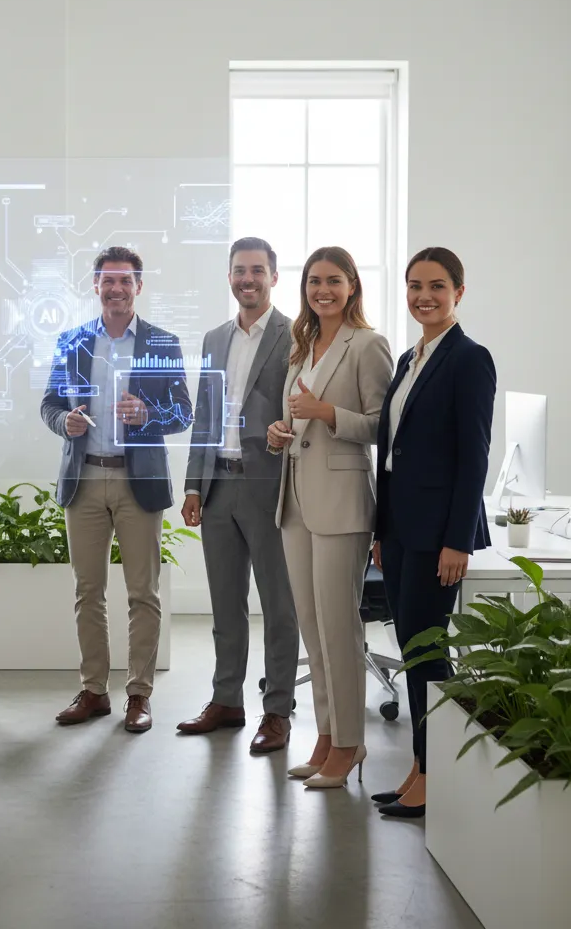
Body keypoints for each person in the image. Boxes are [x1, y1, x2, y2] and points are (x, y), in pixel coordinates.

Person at [43, 245, 193, 734]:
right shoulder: (71, 342)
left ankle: (139, 694)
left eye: (125, 280)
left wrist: (148, 414)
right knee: (87, 591)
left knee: (142, 593)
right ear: (95, 286)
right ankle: (93, 691)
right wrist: (63, 421)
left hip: (138, 480)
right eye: (107, 280)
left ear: (138, 286)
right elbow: (49, 404)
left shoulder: (163, 343)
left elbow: (184, 412)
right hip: (84, 477)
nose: (116, 289)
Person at [371, 248, 495, 820]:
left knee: (428, 652)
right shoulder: (409, 358)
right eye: (415, 285)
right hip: (400, 529)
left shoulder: (469, 359)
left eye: (437, 286)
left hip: (438, 534)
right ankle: (421, 766)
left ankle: (435, 773)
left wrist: (458, 540)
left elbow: (474, 458)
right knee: (412, 649)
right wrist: (381, 529)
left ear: (458, 292)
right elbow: (391, 452)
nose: (424, 296)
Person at [267, 246, 393, 788]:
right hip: (295, 499)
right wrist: (279, 433)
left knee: (340, 629)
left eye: (334, 280)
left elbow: (383, 426)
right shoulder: (303, 345)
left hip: (342, 501)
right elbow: (294, 421)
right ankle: (325, 736)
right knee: (313, 630)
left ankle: (349, 743)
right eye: (314, 281)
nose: (323, 290)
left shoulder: (367, 344)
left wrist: (327, 413)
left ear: (352, 286)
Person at [179, 237, 299, 753]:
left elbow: (301, 409)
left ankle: (278, 711)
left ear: (273, 276)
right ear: (229, 276)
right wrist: (193, 484)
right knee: (225, 606)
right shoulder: (214, 339)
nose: (247, 279)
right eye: (239, 271)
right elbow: (205, 418)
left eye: (256, 270)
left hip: (269, 486)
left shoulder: (296, 335)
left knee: (279, 606)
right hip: (218, 486)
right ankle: (226, 699)